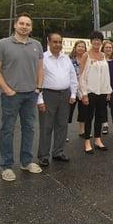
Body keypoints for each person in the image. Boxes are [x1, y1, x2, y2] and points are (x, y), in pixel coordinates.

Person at [0, 13, 44, 182]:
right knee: (8, 129)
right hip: (11, 95)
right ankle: (6, 166)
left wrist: (38, 88)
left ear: (31, 27)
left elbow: (40, 69)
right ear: (15, 25)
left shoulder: (37, 45)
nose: (24, 26)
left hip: (30, 95)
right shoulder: (2, 44)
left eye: (28, 24)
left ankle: (26, 162)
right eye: (21, 23)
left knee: (29, 128)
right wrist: (6, 89)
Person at [37, 33, 78, 167]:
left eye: (60, 42)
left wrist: (73, 94)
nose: (57, 45)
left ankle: (58, 152)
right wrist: (39, 99)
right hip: (48, 95)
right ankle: (43, 155)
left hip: (65, 95)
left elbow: (73, 77)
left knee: (62, 125)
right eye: (54, 42)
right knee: (46, 126)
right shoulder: (42, 58)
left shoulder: (66, 58)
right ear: (48, 42)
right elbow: (37, 80)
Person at [78, 31, 112, 153]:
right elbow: (81, 76)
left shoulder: (103, 56)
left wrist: (108, 90)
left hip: (102, 91)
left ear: (101, 42)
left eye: (99, 39)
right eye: (94, 39)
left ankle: (98, 139)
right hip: (90, 92)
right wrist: (84, 93)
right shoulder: (86, 55)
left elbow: (106, 75)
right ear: (91, 41)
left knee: (100, 116)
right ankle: (87, 141)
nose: (97, 42)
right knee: (89, 117)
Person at [68, 40, 87, 138]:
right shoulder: (69, 60)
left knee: (83, 110)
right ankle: (64, 132)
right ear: (75, 48)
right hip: (72, 89)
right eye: (79, 46)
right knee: (68, 111)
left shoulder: (88, 60)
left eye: (83, 47)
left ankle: (82, 131)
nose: (81, 48)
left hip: (83, 89)